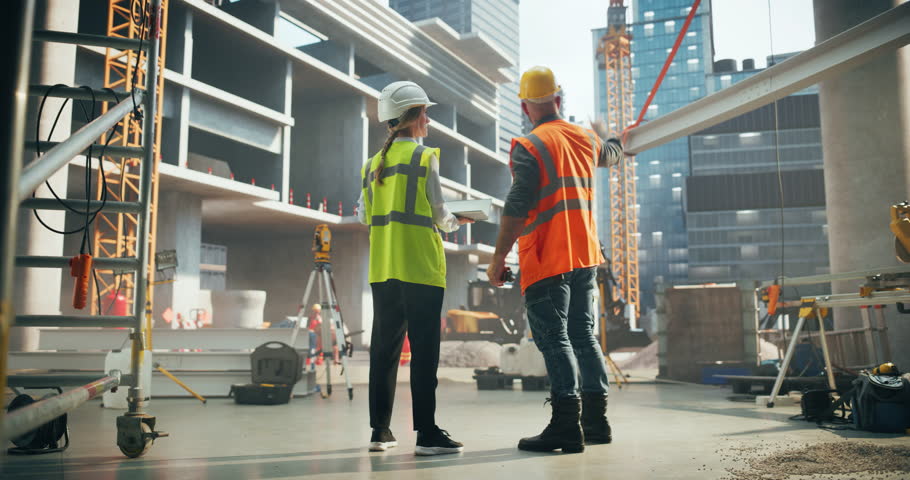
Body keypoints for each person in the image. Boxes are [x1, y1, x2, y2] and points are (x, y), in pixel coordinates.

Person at [487, 66, 624, 453]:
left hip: (548, 258)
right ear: (558, 100)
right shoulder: (584, 137)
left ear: (526, 107)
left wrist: (498, 257)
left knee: (555, 339)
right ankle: (596, 423)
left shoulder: (530, 146)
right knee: (584, 337)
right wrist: (610, 133)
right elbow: (612, 154)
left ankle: (566, 425)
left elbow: (517, 206)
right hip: (585, 257)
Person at [357, 80, 472, 456]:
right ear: (412, 118)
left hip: (383, 270)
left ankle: (380, 432)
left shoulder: (372, 166)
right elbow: (441, 214)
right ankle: (426, 433)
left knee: (384, 353)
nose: (428, 119)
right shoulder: (425, 158)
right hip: (421, 269)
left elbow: (363, 215)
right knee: (424, 354)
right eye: (425, 112)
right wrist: (459, 219)